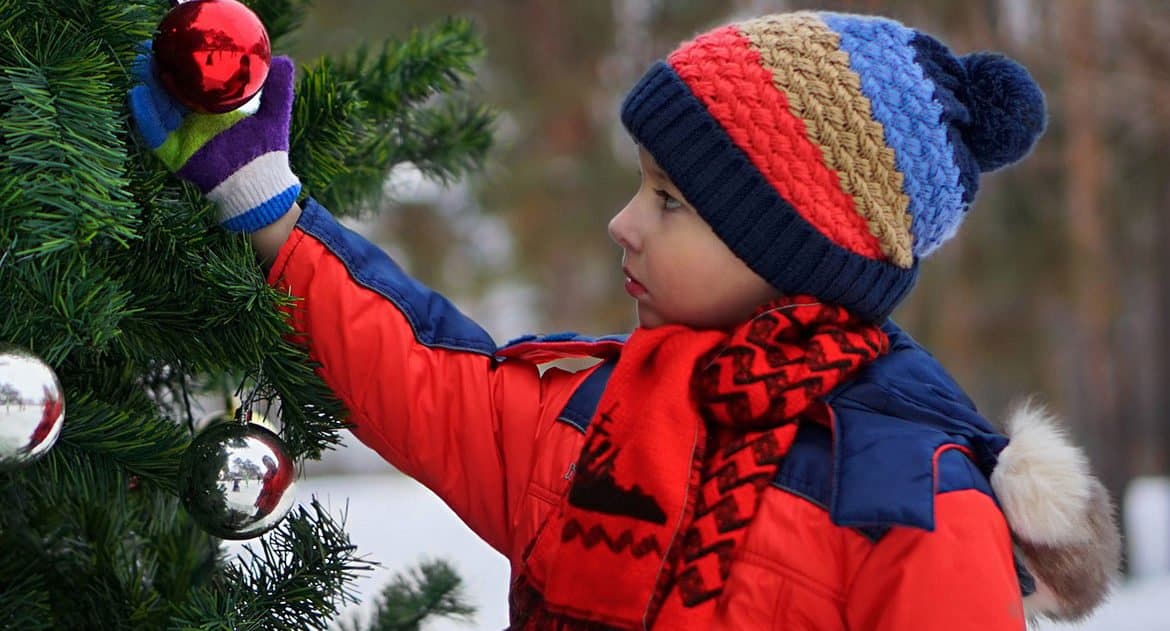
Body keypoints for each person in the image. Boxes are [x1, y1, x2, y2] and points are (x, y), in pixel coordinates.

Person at [130, 10, 1121, 630]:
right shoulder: (602, 409)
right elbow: (428, 378)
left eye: (671, 201)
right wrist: (268, 206)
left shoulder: (912, 496)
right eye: (640, 187)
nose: (622, 224)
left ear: (791, 248)